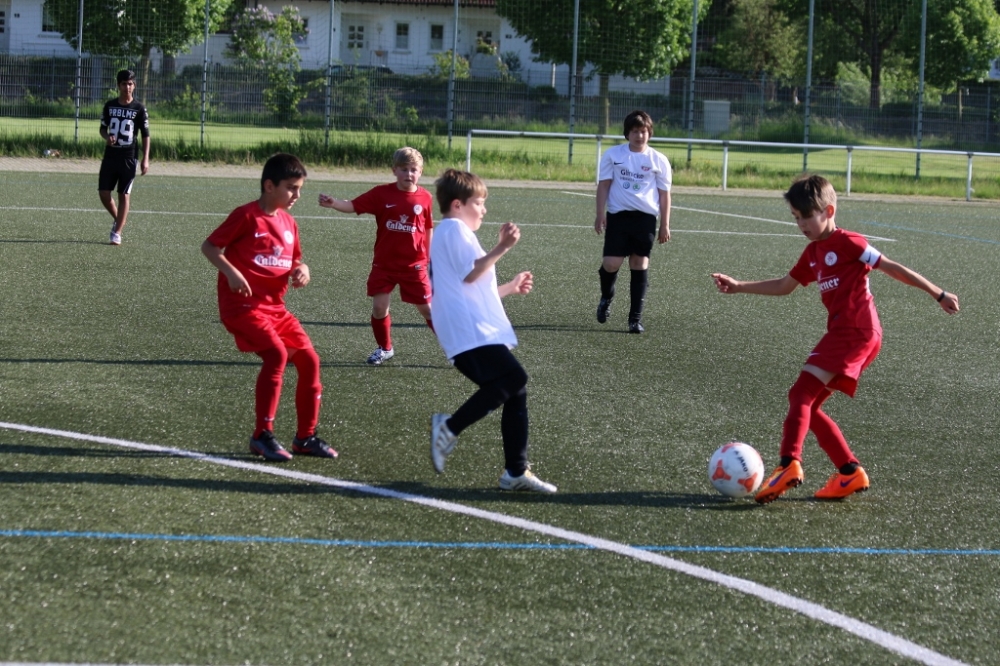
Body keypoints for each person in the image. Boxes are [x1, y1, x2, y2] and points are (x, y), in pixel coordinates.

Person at [712, 174, 960, 503]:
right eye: (796, 218)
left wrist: (938, 293)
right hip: (847, 333)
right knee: (808, 407)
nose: (801, 224)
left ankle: (788, 464)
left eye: (806, 216)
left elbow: (891, 267)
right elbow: (785, 286)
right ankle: (849, 472)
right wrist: (739, 286)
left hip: (856, 331)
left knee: (800, 393)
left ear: (828, 211)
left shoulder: (849, 242)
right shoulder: (813, 252)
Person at [201, 153, 337, 462]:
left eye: (299, 188)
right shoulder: (246, 216)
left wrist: (302, 270)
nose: (296, 195)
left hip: (275, 309)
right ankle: (262, 435)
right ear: (269, 186)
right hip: (242, 306)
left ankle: (305, 438)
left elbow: (295, 259)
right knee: (277, 354)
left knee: (310, 361)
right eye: (291, 188)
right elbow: (210, 246)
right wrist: (231, 273)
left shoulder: (289, 222)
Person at [427, 168, 556, 493]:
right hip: (467, 329)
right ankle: (449, 427)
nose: (484, 210)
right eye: (479, 203)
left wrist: (509, 288)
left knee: (515, 390)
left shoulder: (453, 232)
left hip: (468, 327)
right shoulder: (454, 229)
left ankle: (515, 471)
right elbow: (471, 274)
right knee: (514, 378)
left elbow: (468, 287)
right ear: (457, 204)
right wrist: (503, 247)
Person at [318, 147, 434, 366]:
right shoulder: (381, 194)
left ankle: (455, 349)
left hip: (414, 265)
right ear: (394, 170)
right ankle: (385, 348)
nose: (408, 174)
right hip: (384, 264)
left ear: (420, 172)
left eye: (413, 170)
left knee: (427, 310)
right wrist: (334, 203)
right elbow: (353, 205)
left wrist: (428, 256)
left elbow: (427, 228)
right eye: (403, 169)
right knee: (379, 308)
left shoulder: (425, 197)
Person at [594, 110, 672, 333]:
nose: (639, 136)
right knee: (611, 263)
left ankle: (634, 319)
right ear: (627, 133)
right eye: (635, 131)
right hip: (618, 216)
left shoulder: (658, 160)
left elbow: (665, 194)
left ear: (650, 133)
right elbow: (604, 185)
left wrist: (664, 224)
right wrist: (600, 214)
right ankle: (606, 296)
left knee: (639, 264)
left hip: (645, 218)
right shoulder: (613, 155)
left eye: (644, 131)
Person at [99, 69, 150, 246]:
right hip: (111, 155)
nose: (127, 87)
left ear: (134, 85)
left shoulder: (139, 108)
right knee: (104, 193)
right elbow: (102, 128)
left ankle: (117, 232)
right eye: (124, 84)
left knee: (124, 194)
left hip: (129, 156)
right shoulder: (110, 105)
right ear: (118, 85)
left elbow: (145, 135)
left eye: (130, 84)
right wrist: (107, 137)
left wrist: (145, 158)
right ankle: (119, 218)